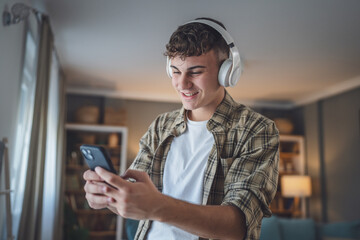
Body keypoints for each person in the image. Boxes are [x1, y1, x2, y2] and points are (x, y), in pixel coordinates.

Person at [83, 17, 279, 240]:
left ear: (227, 72)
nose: (182, 84)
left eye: (195, 72)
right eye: (175, 71)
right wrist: (109, 197)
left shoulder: (256, 130)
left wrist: (158, 206)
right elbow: (136, 201)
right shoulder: (160, 126)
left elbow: (239, 226)